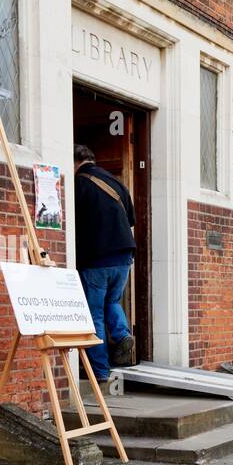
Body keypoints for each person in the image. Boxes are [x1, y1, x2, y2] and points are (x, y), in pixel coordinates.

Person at [73, 144, 136, 385]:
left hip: (97, 259)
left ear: (76, 161)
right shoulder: (117, 182)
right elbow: (130, 220)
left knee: (94, 314)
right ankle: (121, 334)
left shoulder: (79, 183)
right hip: (124, 257)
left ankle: (100, 371)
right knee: (112, 301)